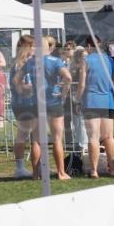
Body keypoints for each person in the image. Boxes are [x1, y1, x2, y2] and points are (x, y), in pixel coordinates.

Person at [78, 35, 114, 178]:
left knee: (93, 137)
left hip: (91, 101)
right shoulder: (109, 60)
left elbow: (82, 83)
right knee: (108, 137)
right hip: (107, 101)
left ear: (88, 46)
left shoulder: (86, 60)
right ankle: (113, 169)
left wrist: (77, 100)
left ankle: (94, 170)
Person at [41, 36, 73, 180]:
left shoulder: (31, 61)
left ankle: (37, 173)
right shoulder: (56, 61)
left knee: (38, 139)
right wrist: (64, 94)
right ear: (51, 47)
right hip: (53, 101)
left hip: (38, 102)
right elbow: (68, 78)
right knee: (57, 139)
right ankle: (61, 172)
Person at [9, 35, 41, 179]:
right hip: (29, 103)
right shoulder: (25, 63)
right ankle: (34, 169)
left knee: (23, 136)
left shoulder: (16, 63)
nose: (35, 48)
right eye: (33, 45)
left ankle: (20, 168)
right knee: (34, 137)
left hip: (19, 104)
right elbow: (20, 85)